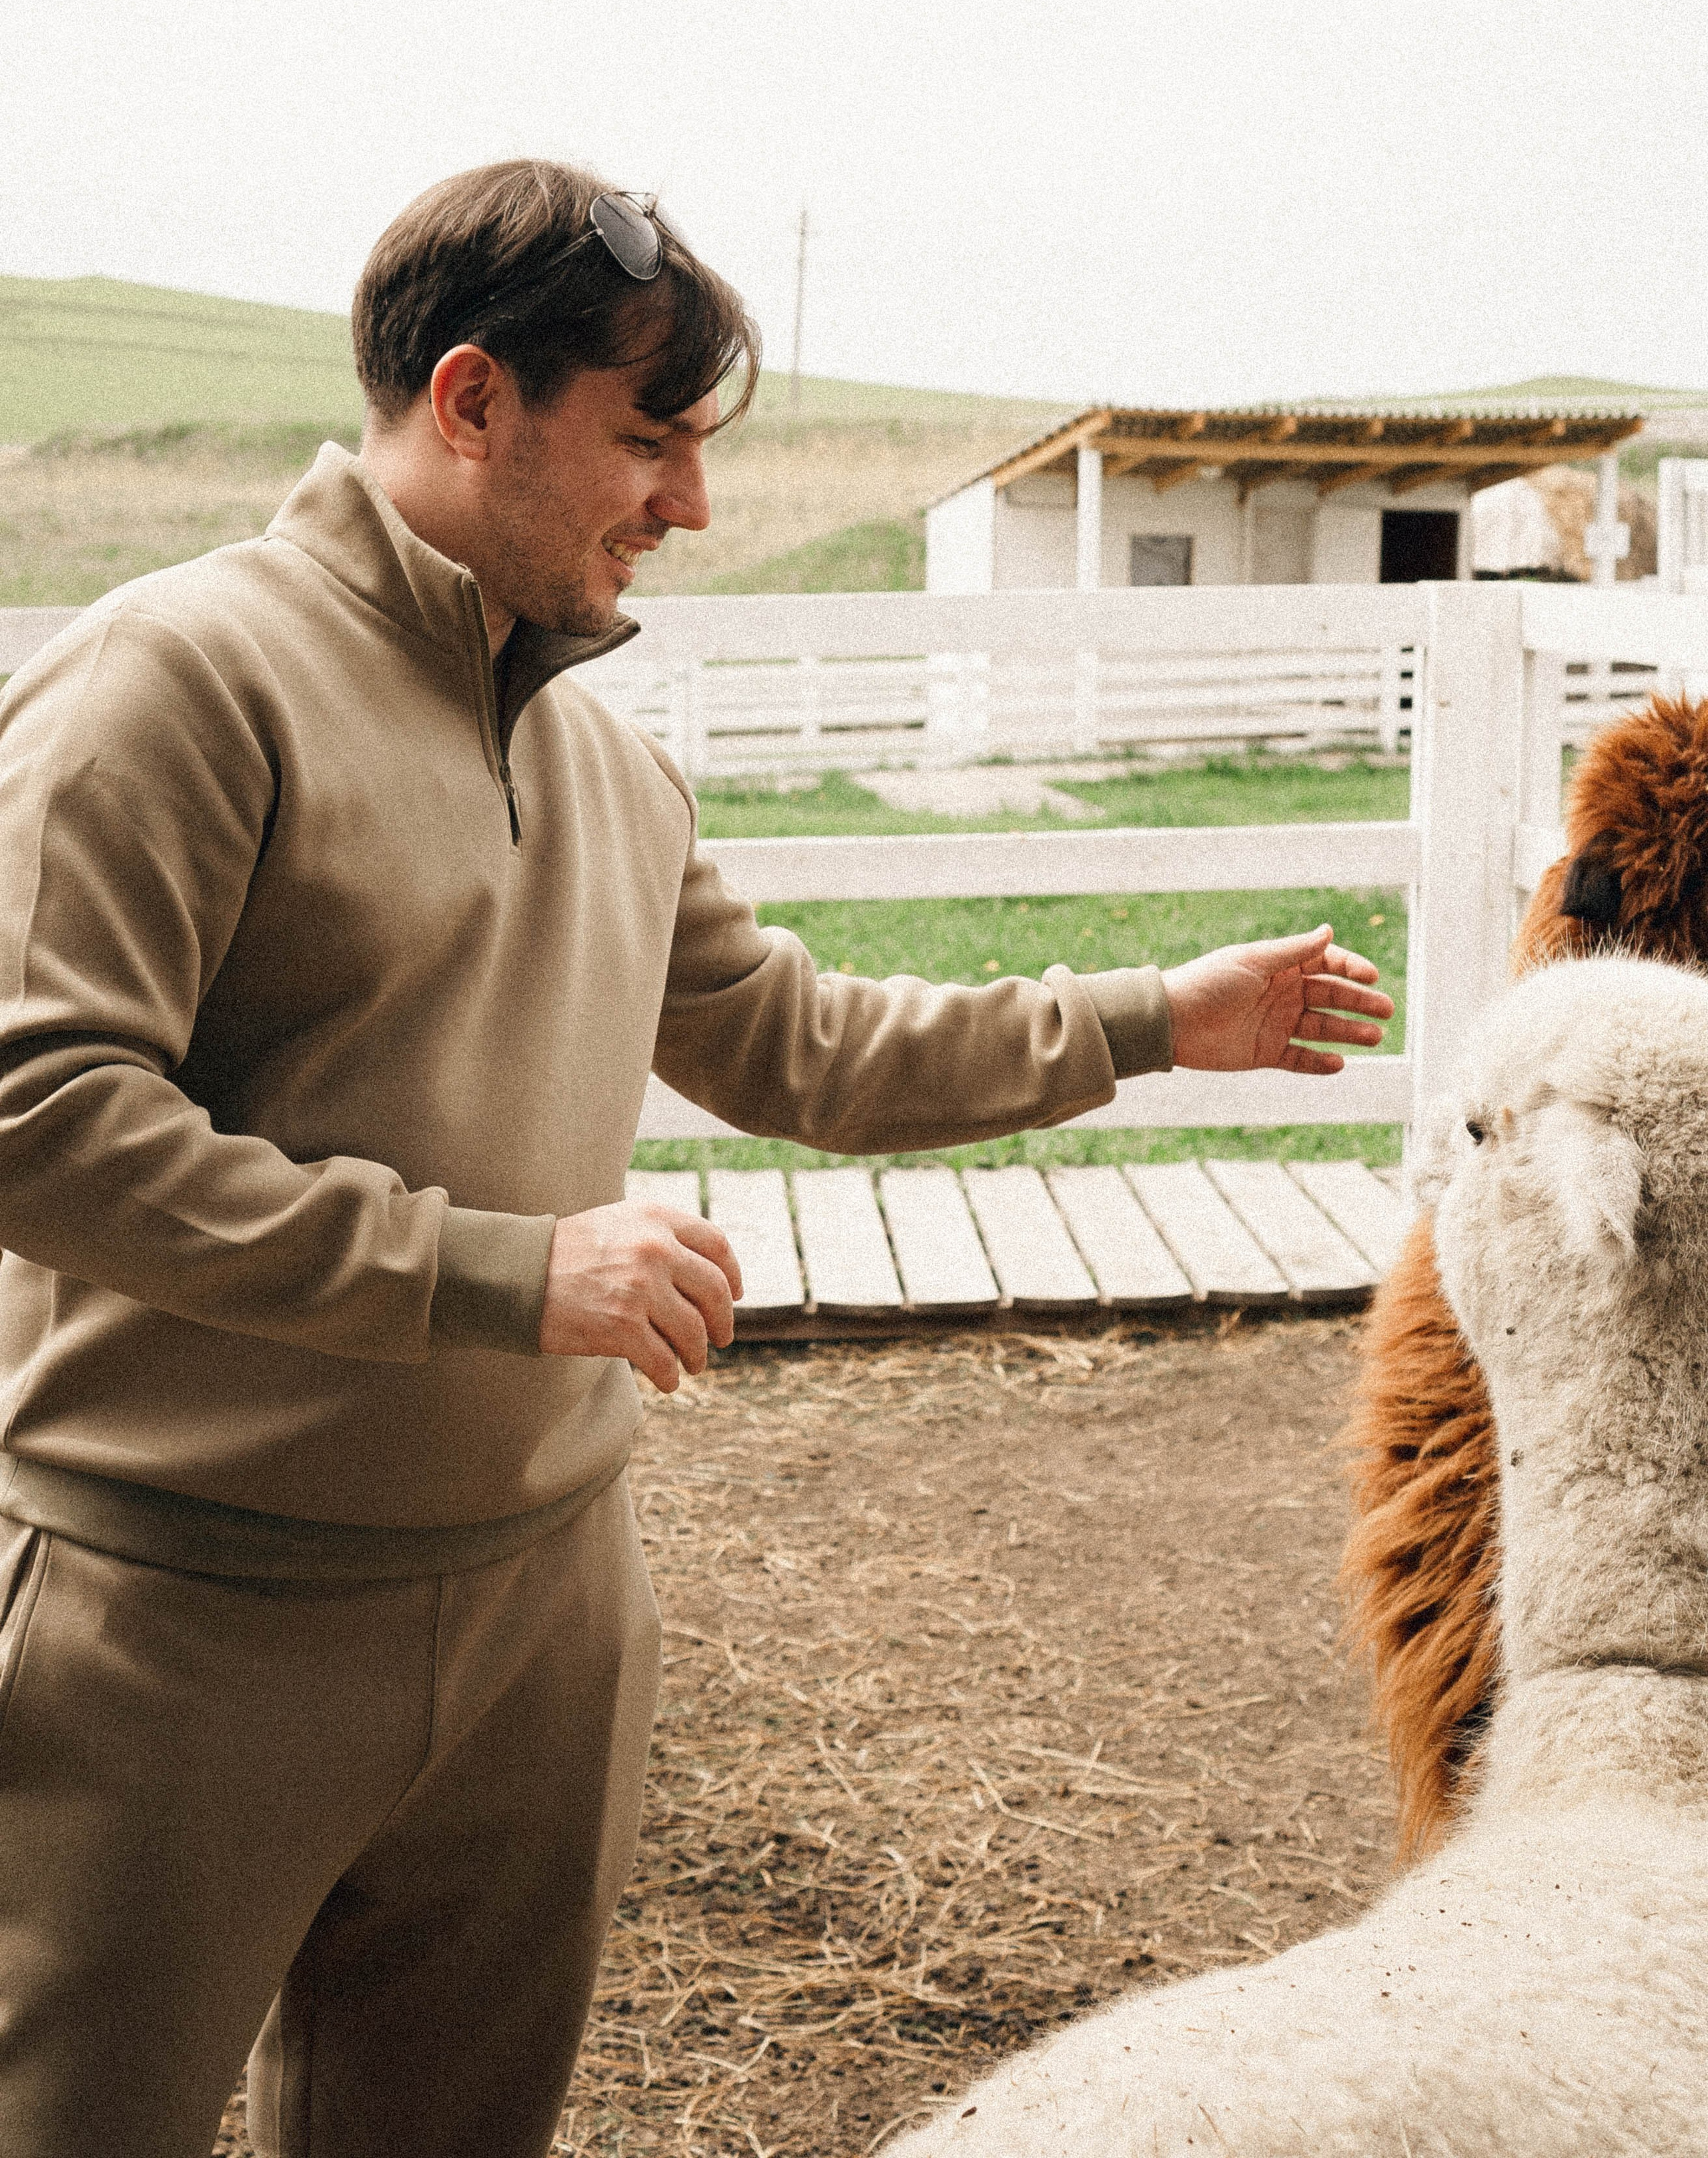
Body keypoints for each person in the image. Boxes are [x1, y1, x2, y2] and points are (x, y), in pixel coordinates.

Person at [0, 160, 1392, 2158]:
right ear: (475, 403)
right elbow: (36, 1119)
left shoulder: (603, 759)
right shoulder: (176, 682)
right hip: (180, 1623)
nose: (694, 505)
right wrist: (500, 1271)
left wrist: (1153, 1017)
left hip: (544, 1623)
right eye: (649, 439)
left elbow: (798, 1046)